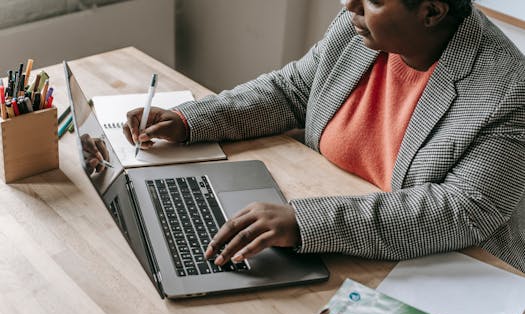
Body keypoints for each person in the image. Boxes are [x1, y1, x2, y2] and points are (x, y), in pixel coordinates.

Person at [123, 0, 525, 272]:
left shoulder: (509, 87)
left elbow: (461, 212)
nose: (348, 3)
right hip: (342, 245)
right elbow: (292, 91)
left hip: (449, 267)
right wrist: (189, 120)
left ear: (432, 12)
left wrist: (305, 222)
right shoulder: (360, 29)